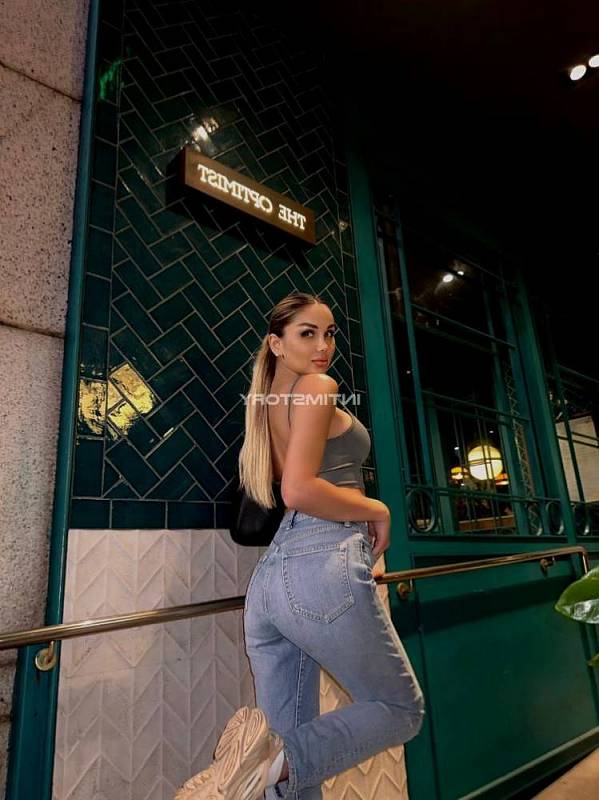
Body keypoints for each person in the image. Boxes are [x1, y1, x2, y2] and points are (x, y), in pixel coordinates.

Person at [175, 292, 425, 800]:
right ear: (276, 343)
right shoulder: (316, 387)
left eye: (329, 333)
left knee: (288, 777)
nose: (323, 346)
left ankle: (271, 763)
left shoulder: (267, 403)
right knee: (400, 709)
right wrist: (378, 509)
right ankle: (272, 761)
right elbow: (298, 489)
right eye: (307, 333)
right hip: (320, 563)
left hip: (272, 582)